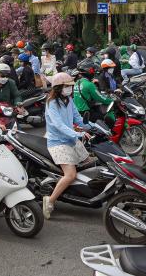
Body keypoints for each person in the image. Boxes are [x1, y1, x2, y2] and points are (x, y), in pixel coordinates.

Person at [41, 72, 93, 219]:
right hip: (57, 142)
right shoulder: (51, 102)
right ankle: (50, 201)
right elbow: (58, 125)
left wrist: (95, 126)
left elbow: (78, 118)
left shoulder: (69, 100)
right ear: (58, 88)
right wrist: (78, 134)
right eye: (67, 86)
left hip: (71, 139)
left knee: (90, 163)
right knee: (71, 175)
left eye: (71, 86)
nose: (70, 88)